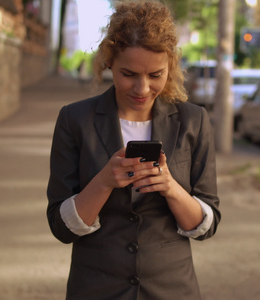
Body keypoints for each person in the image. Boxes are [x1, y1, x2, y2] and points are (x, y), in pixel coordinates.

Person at [46, 2, 221, 299]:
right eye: (129, 74)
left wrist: (170, 187)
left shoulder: (194, 120)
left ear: (171, 67)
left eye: (155, 75)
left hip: (171, 288)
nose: (142, 89)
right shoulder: (75, 119)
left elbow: (206, 226)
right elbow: (61, 227)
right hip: (96, 288)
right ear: (109, 61)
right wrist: (103, 182)